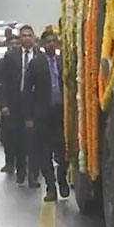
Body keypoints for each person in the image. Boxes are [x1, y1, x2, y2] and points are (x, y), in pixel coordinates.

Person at [23, 31, 70, 202]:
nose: (51, 44)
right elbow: (27, 90)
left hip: (61, 113)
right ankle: (51, 188)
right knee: (44, 153)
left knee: (63, 151)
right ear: (42, 44)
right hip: (43, 115)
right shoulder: (36, 64)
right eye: (48, 41)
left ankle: (62, 179)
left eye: (53, 41)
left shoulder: (63, 62)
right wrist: (28, 116)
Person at [0, 25, 40, 187]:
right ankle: (21, 170)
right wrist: (3, 104)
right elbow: (4, 82)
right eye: (24, 35)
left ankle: (33, 175)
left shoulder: (39, 56)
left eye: (29, 35)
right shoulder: (11, 57)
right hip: (15, 105)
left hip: (34, 105)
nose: (27, 38)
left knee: (34, 141)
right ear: (20, 38)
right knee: (18, 140)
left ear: (34, 37)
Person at [0, 35, 21, 174]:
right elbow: (0, 84)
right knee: (8, 136)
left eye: (17, 43)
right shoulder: (3, 63)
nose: (15, 46)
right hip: (8, 104)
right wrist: (3, 104)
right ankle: (9, 162)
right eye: (12, 44)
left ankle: (22, 163)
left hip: (22, 104)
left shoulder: (26, 60)